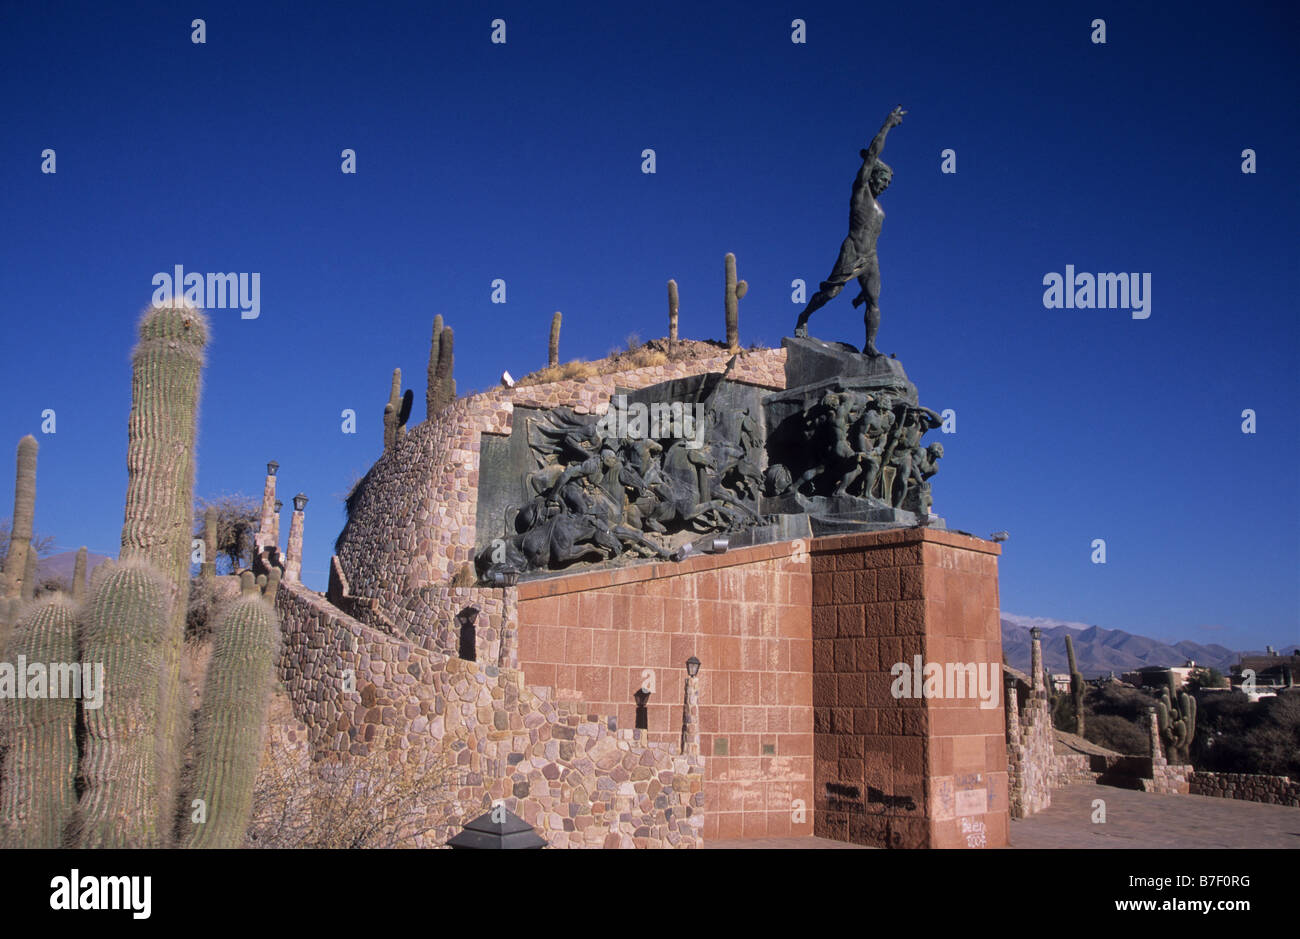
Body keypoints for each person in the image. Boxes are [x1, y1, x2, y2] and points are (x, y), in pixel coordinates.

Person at [794, 106, 906, 356]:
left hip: (871, 258)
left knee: (874, 301)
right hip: (853, 249)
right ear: (873, 176)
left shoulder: (880, 208)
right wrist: (887, 125)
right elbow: (872, 155)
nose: (885, 184)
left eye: (889, 182)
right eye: (883, 179)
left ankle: (870, 345)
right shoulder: (860, 192)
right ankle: (804, 316)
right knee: (831, 292)